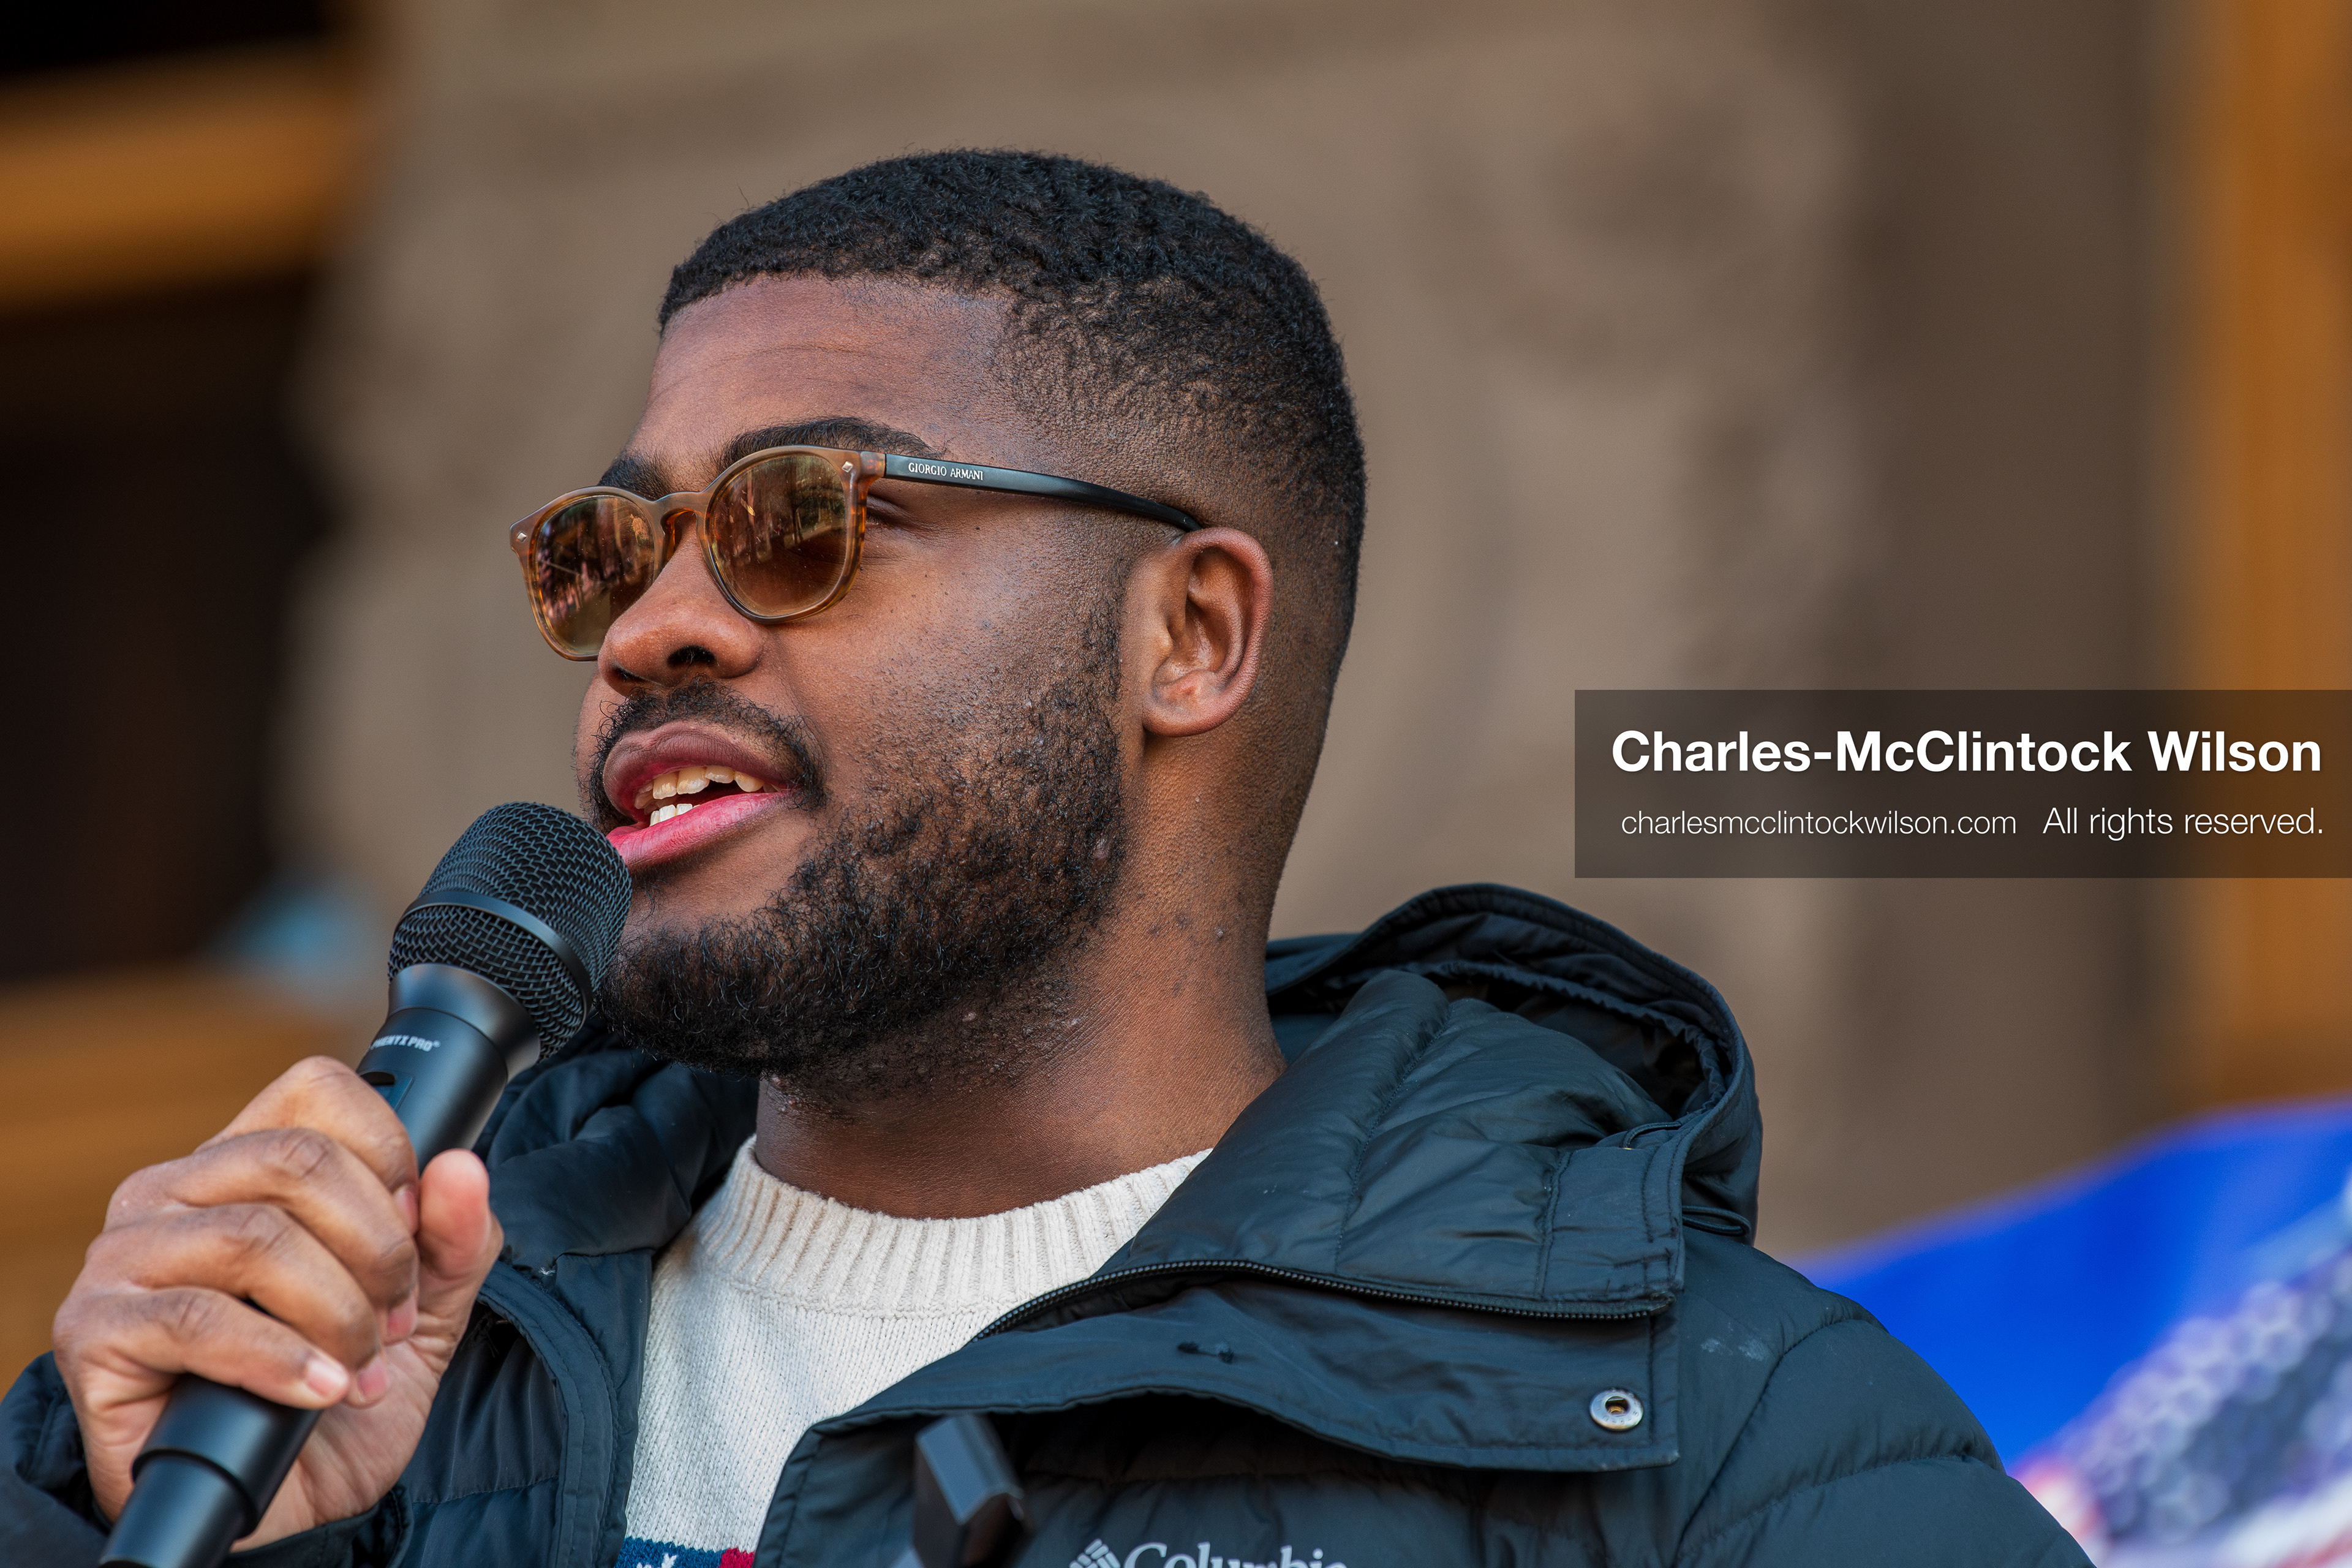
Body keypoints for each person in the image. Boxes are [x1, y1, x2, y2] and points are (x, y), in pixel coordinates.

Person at [3, 151, 2085, 1567]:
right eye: (610, 550)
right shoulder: (295, 1394)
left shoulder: (1718, 1446)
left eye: (806, 520)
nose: (655, 628)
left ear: (1186, 637)